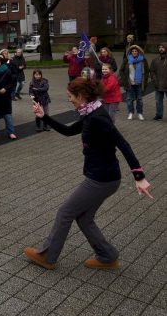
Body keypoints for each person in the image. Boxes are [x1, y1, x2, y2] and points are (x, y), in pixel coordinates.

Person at [25, 77, 153, 270]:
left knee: (65, 212)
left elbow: (123, 144)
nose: (69, 99)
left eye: (71, 96)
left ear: (82, 96)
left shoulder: (98, 118)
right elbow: (69, 131)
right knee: (84, 217)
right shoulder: (90, 112)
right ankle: (107, 256)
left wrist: (139, 176)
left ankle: (47, 256)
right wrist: (44, 116)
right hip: (102, 176)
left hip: (101, 178)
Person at [118, 44, 149, 120]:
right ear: (130, 52)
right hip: (129, 83)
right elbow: (121, 70)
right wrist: (125, 79)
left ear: (139, 52)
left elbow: (147, 71)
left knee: (139, 99)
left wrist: (145, 80)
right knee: (129, 99)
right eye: (133, 51)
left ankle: (140, 113)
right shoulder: (127, 60)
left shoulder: (143, 60)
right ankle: (130, 113)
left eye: (136, 51)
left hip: (139, 83)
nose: (134, 52)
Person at [149, 43, 167, 120]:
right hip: (158, 84)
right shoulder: (155, 60)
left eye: (162, 47)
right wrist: (154, 80)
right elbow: (152, 71)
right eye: (159, 47)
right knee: (158, 101)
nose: (161, 49)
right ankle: (159, 115)